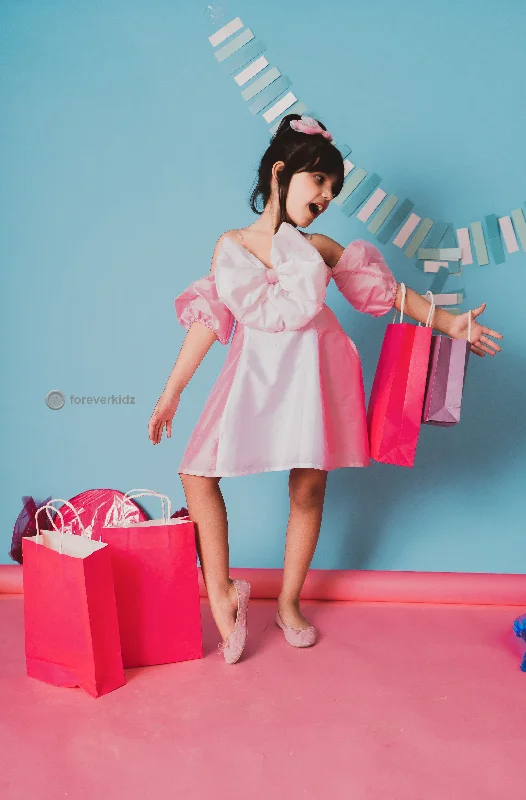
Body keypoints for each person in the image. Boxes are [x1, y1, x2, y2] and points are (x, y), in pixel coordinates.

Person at [148, 113, 503, 664]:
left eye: (334, 190)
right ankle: (220, 589)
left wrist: (453, 323)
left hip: (315, 372)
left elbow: (389, 293)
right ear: (281, 174)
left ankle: (289, 602)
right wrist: (172, 391)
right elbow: (206, 320)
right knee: (197, 473)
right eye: (318, 182)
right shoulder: (232, 245)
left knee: (308, 488)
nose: (326, 197)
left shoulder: (319, 246)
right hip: (253, 375)